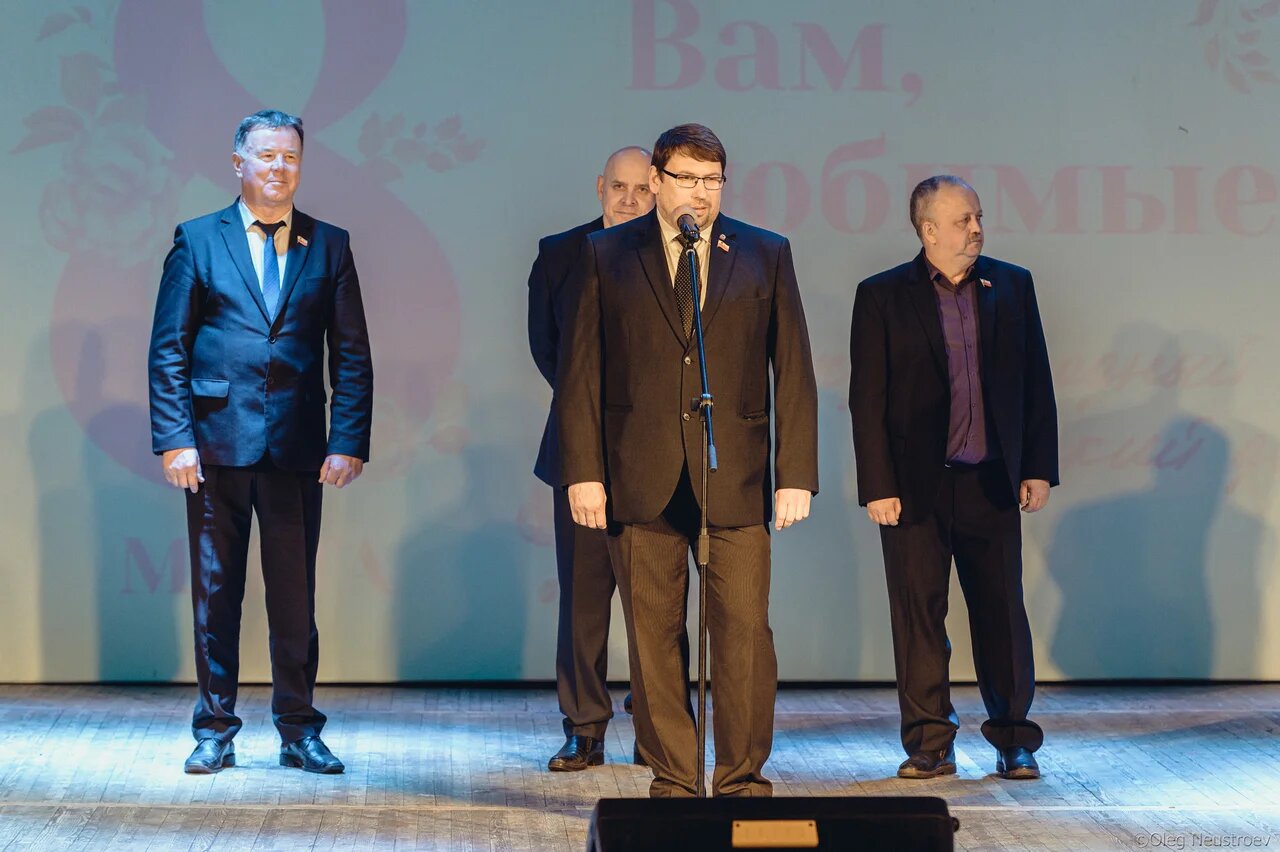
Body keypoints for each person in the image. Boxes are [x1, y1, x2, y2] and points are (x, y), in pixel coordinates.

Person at [557, 124, 819, 797]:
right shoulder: (607, 253)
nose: (699, 194)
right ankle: (674, 778)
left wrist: (795, 475)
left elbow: (793, 367)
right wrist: (584, 472)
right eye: (686, 179)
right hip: (638, 475)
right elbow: (582, 374)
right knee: (653, 638)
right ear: (657, 181)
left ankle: (740, 779)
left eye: (712, 181)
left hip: (734, 475)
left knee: (745, 635)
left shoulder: (763, 252)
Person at [148, 109, 373, 775]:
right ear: (238, 162)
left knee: (294, 599)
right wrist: (175, 439)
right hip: (215, 446)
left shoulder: (328, 244)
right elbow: (169, 349)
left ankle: (298, 729)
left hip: (297, 449)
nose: (279, 167)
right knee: (217, 595)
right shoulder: (197, 239)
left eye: (290, 157)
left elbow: (352, 354)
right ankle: (215, 729)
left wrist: (347, 438)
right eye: (267, 155)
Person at [848, 175, 1057, 781]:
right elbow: (868, 399)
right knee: (918, 617)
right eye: (964, 219)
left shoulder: (1011, 285)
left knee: (1002, 614)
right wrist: (877, 485)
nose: (976, 228)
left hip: (990, 481)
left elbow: (1035, 381)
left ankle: (1014, 738)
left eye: (979, 216)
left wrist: (1037, 467)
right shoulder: (883, 295)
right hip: (915, 488)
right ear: (928, 229)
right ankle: (930, 742)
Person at [527, 146, 655, 772]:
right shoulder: (559, 254)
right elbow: (547, 348)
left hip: (658, 452)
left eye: (641, 189)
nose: (629, 200)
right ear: (600, 186)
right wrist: (594, 409)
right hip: (581, 447)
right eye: (619, 187)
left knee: (656, 599)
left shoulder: (673, 253)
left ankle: (658, 725)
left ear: (657, 192)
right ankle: (584, 727)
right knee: (582, 597)